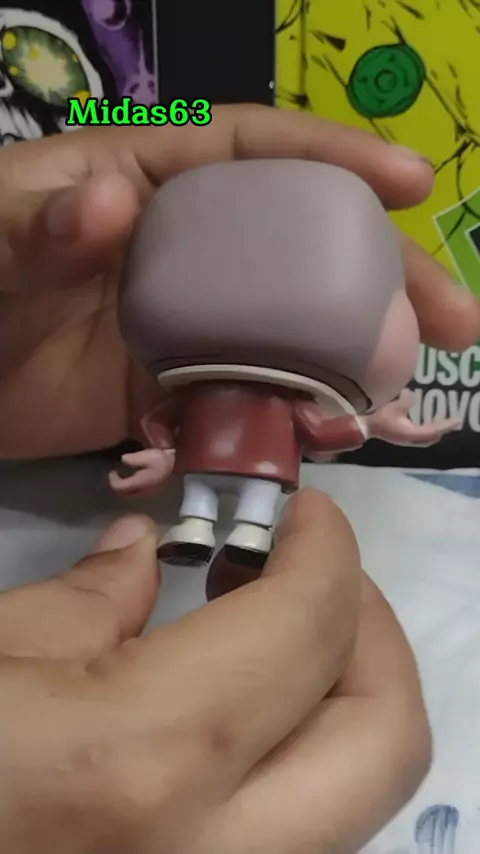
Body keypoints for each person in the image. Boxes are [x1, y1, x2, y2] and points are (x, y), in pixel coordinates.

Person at [0, 104, 478, 852]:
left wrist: (378, 425)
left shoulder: (234, 375)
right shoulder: (200, 370)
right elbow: (174, 422)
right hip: (226, 451)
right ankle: (214, 529)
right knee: (214, 498)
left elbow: (304, 426)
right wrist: (159, 452)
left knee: (238, 501)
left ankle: (238, 534)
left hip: (240, 454)